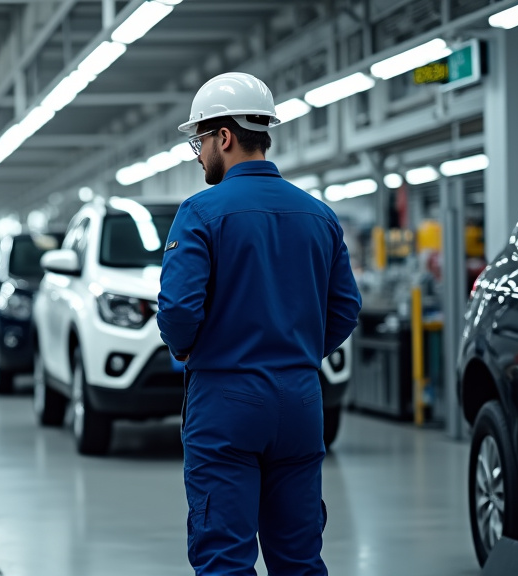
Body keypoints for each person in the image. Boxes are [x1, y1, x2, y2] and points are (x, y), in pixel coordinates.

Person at [157, 72, 362, 575]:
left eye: (199, 141)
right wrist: (300, 352)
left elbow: (179, 310)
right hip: (299, 400)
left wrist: (187, 350)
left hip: (226, 401)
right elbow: (346, 307)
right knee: (298, 556)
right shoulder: (319, 215)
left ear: (224, 137)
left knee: (224, 556)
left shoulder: (199, 213)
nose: (199, 154)